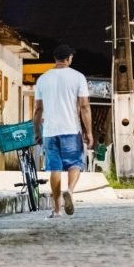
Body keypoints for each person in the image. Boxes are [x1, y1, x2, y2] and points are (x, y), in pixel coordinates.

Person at [33, 44, 92, 218]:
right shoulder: (78, 77)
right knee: (75, 163)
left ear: (55, 59)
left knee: (55, 168)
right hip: (71, 129)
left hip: (50, 131)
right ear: (68, 59)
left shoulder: (42, 79)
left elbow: (38, 110)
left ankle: (57, 210)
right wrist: (89, 132)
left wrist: (37, 131)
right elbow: (84, 106)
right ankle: (70, 191)